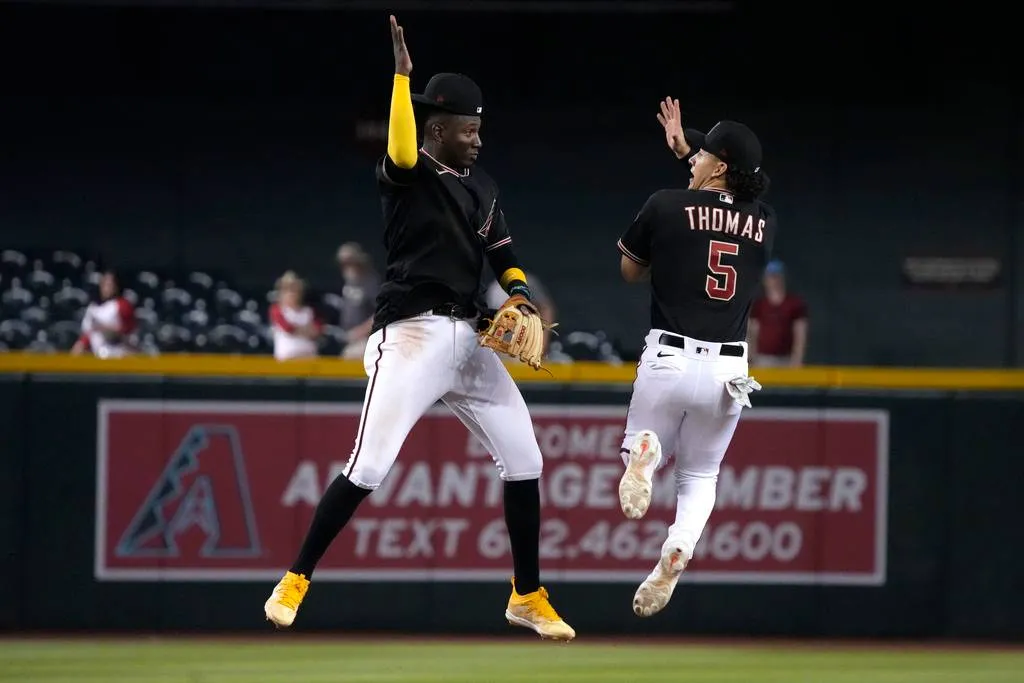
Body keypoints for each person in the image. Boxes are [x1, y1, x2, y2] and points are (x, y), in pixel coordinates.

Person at [263, 15, 574, 642]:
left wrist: (517, 292)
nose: (478, 139)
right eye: (467, 129)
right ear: (438, 129)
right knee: (369, 466)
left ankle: (527, 594)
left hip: (471, 339)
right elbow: (402, 147)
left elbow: (504, 254)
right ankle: (296, 578)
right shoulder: (410, 173)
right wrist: (402, 81)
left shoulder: (484, 186)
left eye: (480, 129)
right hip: (411, 334)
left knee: (526, 459)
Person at [614, 97, 776, 618]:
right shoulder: (765, 221)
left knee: (643, 444)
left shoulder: (664, 204)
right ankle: (679, 545)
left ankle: (644, 450)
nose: (692, 158)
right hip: (730, 373)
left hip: (670, 357)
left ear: (719, 165)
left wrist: (673, 232)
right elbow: (720, 202)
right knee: (701, 476)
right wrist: (693, 150)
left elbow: (630, 270)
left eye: (702, 154)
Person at [749, 260, 808, 367]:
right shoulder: (759, 305)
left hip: (786, 360)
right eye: (771, 277)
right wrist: (751, 357)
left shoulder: (794, 304)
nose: (774, 280)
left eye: (776, 276)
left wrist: (797, 359)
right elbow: (752, 333)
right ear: (765, 279)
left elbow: (800, 334)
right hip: (762, 360)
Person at [483, 270, 557, 356]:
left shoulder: (527, 282)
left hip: (526, 348)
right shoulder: (492, 289)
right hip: (501, 350)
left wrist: (542, 344)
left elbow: (545, 308)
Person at [71, 271, 136, 358]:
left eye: (109, 284)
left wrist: (107, 329)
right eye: (104, 284)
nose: (106, 288)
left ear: (116, 286)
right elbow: (88, 335)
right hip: (97, 356)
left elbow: (130, 333)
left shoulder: (122, 305)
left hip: (119, 355)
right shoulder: (92, 308)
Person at [335, 242, 380, 360]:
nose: (346, 266)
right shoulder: (348, 282)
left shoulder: (370, 282)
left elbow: (380, 313)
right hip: (348, 339)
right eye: (343, 263)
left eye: (349, 262)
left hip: (366, 339)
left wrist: (359, 332)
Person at [269, 271, 321, 361]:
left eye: (294, 289)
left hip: (309, 358)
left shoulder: (308, 311)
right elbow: (288, 328)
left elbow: (317, 330)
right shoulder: (277, 310)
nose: (291, 293)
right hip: (286, 359)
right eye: (287, 289)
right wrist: (306, 330)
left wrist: (303, 330)